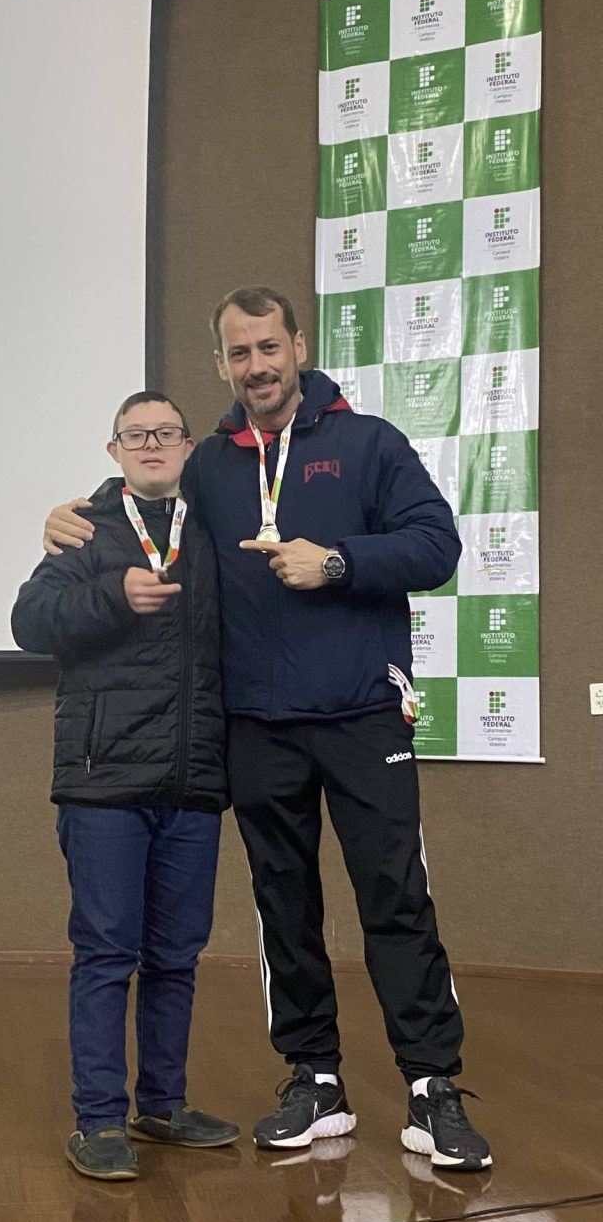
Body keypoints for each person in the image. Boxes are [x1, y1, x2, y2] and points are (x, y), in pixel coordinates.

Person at [41, 288, 492, 1173]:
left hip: (362, 714)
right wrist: (72, 515)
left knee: (395, 897)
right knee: (285, 906)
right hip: (256, 725)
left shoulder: (370, 443)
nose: (257, 366)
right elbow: (144, 493)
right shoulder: (210, 462)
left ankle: (432, 1083)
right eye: (239, 352)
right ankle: (315, 1076)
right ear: (222, 364)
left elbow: (437, 546)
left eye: (269, 347)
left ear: (299, 347)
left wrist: (338, 561)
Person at [11, 391, 238, 1182]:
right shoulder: (85, 528)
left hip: (192, 780)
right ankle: (99, 1119)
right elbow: (29, 621)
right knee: (107, 953)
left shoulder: (211, 530)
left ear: (186, 447)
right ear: (115, 451)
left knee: (176, 955)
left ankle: (163, 1105)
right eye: (135, 434)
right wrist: (113, 596)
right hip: (103, 780)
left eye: (165, 433)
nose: (151, 444)